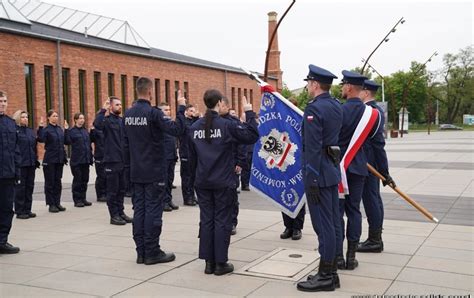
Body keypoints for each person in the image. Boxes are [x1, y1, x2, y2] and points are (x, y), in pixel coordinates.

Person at [188, 90, 258, 276]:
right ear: (219, 103)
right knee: (222, 221)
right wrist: (249, 112)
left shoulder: (194, 127)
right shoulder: (227, 125)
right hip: (222, 181)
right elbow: (252, 135)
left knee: (206, 220)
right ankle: (220, 262)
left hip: (202, 180)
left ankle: (208, 263)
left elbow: (191, 157)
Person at [123, 77, 186, 265]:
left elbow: (125, 143)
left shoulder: (128, 114)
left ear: (137, 91)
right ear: (150, 91)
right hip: (154, 171)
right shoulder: (154, 113)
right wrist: (181, 107)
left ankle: (141, 251)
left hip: (136, 170)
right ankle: (152, 251)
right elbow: (177, 129)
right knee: (152, 210)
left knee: (139, 210)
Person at [296, 65, 343, 292]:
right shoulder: (335, 105)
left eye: (308, 83)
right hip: (331, 171)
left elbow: (313, 148)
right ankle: (331, 272)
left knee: (323, 226)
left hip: (319, 175)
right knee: (333, 223)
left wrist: (312, 180)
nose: (306, 86)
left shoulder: (315, 109)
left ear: (315, 84)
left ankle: (325, 275)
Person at [336, 70, 384, 271]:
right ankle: (351, 256)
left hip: (337, 169)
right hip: (358, 170)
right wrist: (385, 172)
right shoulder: (372, 114)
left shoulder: (338, 110)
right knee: (354, 211)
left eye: (342, 85)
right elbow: (377, 145)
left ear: (348, 87)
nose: (341, 88)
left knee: (336, 214)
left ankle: (337, 257)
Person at [358, 80, 395, 253]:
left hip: (368, 164)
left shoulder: (371, 112)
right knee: (373, 199)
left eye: (360, 90)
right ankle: (375, 238)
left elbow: (378, 144)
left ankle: (375, 240)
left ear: (365, 93)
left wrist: (384, 171)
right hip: (370, 163)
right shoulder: (374, 110)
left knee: (371, 200)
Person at [95, 96, 132, 225]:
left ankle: (121, 212)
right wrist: (102, 110)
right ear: (110, 107)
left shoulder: (122, 121)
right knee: (112, 190)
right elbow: (97, 125)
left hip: (122, 160)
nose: (120, 107)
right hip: (111, 160)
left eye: (121, 104)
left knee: (122, 189)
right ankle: (114, 215)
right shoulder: (106, 121)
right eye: (117, 105)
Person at [219, 101, 246, 235]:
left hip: (231, 164)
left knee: (231, 197)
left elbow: (241, 144)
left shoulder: (234, 123)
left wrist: (240, 162)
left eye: (222, 105)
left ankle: (232, 222)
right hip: (217, 166)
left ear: (227, 107)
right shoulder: (212, 122)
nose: (220, 108)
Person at [280, 97, 305, 241]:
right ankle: (288, 226)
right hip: (284, 163)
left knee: (298, 195)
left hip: (298, 163)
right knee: (283, 195)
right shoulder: (282, 122)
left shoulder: (301, 120)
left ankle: (297, 228)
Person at [0, 90, 21, 254]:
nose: (3, 104)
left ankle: (2, 241)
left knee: (7, 209)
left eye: (4, 101)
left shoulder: (10, 123)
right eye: (0, 101)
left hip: (8, 174)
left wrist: (17, 171)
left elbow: (16, 150)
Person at [37, 110, 67, 213]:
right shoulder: (46, 130)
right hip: (50, 159)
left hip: (59, 159)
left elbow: (64, 142)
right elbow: (40, 139)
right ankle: (51, 204)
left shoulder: (59, 129)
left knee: (58, 182)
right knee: (50, 182)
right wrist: (40, 127)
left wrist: (66, 130)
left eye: (57, 116)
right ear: (48, 118)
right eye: (53, 116)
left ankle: (57, 202)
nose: (56, 118)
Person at [12, 110, 39, 219]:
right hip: (21, 164)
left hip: (31, 163)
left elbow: (34, 147)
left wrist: (35, 159)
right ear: (18, 118)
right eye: (23, 117)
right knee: (20, 188)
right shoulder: (15, 131)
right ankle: (20, 210)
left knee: (29, 187)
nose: (25, 119)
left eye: (26, 117)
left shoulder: (30, 131)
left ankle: (28, 209)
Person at [65, 112, 93, 208]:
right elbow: (67, 141)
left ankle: (83, 198)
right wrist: (66, 131)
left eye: (83, 118)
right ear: (75, 120)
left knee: (85, 180)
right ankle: (77, 200)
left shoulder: (85, 131)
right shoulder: (72, 131)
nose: (82, 120)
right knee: (78, 180)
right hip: (77, 161)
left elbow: (89, 144)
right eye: (80, 118)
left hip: (85, 160)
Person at [158, 102, 179, 212]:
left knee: (170, 180)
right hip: (164, 156)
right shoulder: (160, 123)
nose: (168, 111)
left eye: (169, 109)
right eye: (165, 110)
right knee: (164, 180)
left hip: (171, 155)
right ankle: (163, 202)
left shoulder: (170, 123)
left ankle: (168, 199)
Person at [179, 104, 199, 206]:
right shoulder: (183, 122)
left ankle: (192, 195)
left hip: (194, 153)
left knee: (193, 177)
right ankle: (187, 198)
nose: (192, 113)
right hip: (185, 153)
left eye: (194, 111)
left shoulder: (194, 121)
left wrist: (197, 118)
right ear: (186, 112)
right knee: (186, 177)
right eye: (191, 111)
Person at [91, 102, 109, 202]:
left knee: (107, 176)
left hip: (107, 155)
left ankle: (106, 193)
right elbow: (92, 139)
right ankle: (100, 194)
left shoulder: (106, 130)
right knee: (101, 176)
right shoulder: (96, 130)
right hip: (100, 155)